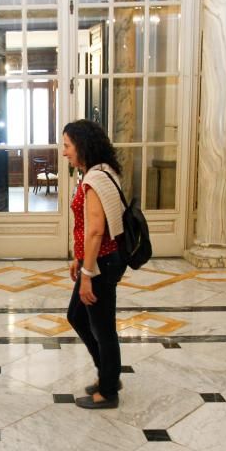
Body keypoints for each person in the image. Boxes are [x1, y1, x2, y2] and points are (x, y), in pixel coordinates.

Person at [61, 120, 127, 410]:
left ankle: (109, 390)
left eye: (67, 146)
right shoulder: (100, 171)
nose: (64, 152)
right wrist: (79, 258)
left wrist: (87, 274)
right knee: (77, 315)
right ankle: (109, 375)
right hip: (95, 261)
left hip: (100, 264)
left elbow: (96, 230)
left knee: (103, 328)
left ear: (82, 146)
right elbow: (89, 226)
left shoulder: (94, 180)